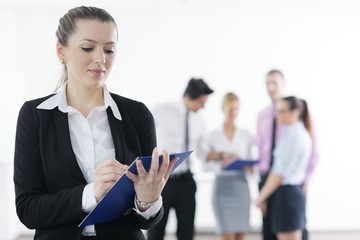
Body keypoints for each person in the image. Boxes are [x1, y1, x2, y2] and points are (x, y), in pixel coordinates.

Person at [13, 6, 178, 240]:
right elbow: (28, 210)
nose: (100, 59)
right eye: (88, 48)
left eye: (109, 50)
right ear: (61, 51)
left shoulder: (137, 114)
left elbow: (145, 220)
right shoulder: (35, 115)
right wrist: (92, 193)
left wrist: (147, 199)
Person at [147, 78, 214, 240]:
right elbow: (142, 135)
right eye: (201, 102)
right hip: (163, 181)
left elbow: (202, 153)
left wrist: (219, 155)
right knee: (156, 229)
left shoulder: (199, 121)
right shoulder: (162, 110)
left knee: (186, 231)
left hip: (186, 181)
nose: (203, 107)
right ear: (190, 96)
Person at [256, 70, 319, 240]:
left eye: (281, 111)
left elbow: (279, 172)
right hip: (281, 192)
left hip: (287, 193)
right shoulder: (291, 133)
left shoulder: (295, 136)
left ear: (294, 112)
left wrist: (260, 198)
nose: (276, 115)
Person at [205, 92, 253, 240]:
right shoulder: (213, 135)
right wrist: (221, 159)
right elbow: (204, 165)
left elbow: (252, 166)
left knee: (240, 235)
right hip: (222, 188)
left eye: (236, 109)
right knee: (227, 234)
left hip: (241, 187)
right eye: (230, 109)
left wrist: (244, 165)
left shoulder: (246, 135)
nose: (233, 113)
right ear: (223, 109)